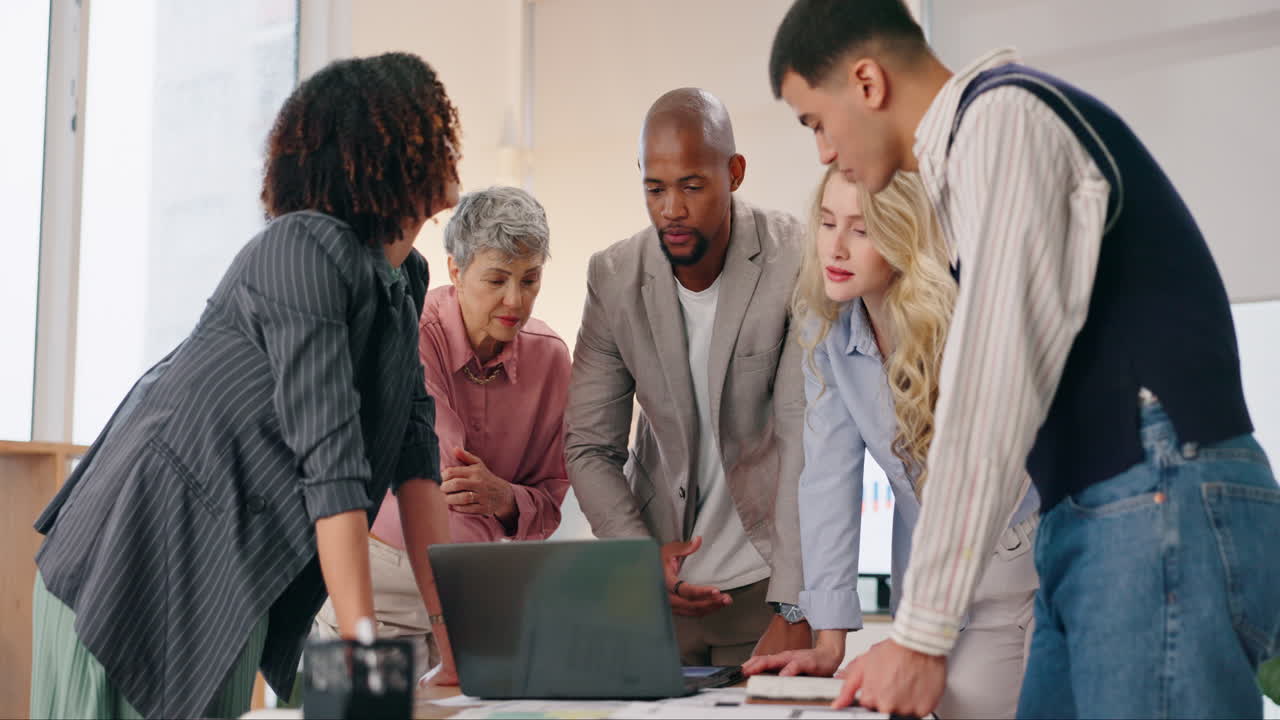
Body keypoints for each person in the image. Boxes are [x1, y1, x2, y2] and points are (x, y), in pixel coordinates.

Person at [769, 1, 1280, 717]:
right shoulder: (970, 161)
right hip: (1092, 514)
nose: (823, 151)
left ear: (867, 82)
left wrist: (919, 638)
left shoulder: (1002, 123)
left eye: (815, 121)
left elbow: (991, 393)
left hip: (1157, 494)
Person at [29, 52, 462, 719]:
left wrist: (451, 635)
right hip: (140, 556)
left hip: (227, 578)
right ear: (392, 150)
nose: (448, 146)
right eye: (436, 130)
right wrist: (366, 660)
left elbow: (415, 460)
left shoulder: (405, 283)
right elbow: (333, 468)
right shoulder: (305, 249)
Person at [744, 167, 1039, 719]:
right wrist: (830, 640)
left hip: (1011, 562)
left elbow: (981, 479)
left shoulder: (960, 318)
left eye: (861, 229)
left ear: (904, 236)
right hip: (928, 580)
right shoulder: (828, 324)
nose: (834, 246)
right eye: (827, 222)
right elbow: (828, 477)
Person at [565, 87, 811, 666]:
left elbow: (808, 440)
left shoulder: (795, 258)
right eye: (655, 188)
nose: (671, 208)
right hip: (656, 590)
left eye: (692, 186)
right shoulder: (614, 276)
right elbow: (588, 447)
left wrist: (797, 606)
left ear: (734, 172)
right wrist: (636, 558)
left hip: (768, 585)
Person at [315, 186, 571, 681]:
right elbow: (444, 479)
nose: (514, 300)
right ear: (455, 269)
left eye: (530, 280)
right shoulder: (408, 327)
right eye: (496, 279)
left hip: (475, 596)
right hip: (381, 586)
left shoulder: (552, 359)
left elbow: (551, 501)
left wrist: (507, 498)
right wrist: (510, 501)